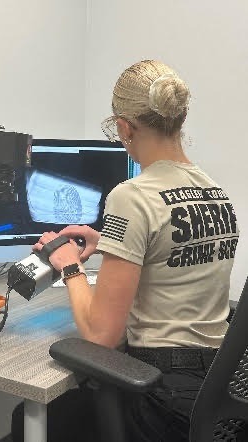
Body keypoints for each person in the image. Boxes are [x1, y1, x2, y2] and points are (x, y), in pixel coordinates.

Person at [12, 60, 239, 441]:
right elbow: (176, 256)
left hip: (161, 397)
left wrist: (69, 267)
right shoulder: (215, 191)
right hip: (216, 392)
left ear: (123, 127)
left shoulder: (131, 195)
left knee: (31, 417)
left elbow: (101, 336)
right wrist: (108, 245)